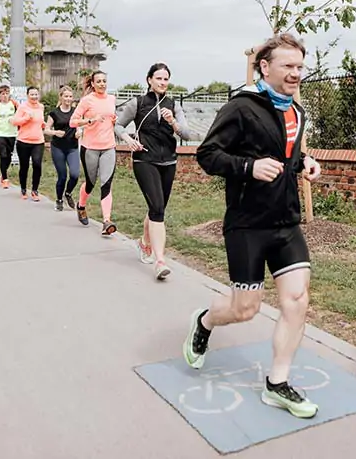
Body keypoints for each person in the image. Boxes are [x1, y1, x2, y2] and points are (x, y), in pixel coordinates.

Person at [182, 33, 322, 420]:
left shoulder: (296, 110)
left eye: (299, 67)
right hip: (247, 225)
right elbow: (208, 155)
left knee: (297, 300)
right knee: (245, 309)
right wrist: (248, 167)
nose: (296, 74)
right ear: (265, 67)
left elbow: (286, 152)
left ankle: (277, 384)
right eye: (288, 66)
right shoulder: (241, 107)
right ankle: (205, 321)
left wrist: (305, 163)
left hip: (286, 222)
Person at [114, 62, 195, 280]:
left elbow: (187, 134)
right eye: (158, 78)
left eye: (166, 79)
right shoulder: (138, 103)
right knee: (157, 208)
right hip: (144, 159)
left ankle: (144, 242)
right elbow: (118, 125)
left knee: (156, 208)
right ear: (149, 80)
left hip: (168, 161)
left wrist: (173, 123)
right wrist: (128, 139)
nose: (162, 82)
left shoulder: (173, 105)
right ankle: (160, 261)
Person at [69, 70, 119, 236]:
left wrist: (114, 120)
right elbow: (72, 122)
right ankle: (81, 205)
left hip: (109, 146)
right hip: (90, 147)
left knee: (106, 183)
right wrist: (90, 120)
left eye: (104, 81)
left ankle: (106, 221)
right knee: (91, 183)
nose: (102, 84)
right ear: (92, 84)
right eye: (99, 81)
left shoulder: (112, 99)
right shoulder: (86, 101)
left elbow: (112, 117)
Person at [46, 85, 81, 212]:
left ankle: (68, 193)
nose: (68, 99)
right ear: (61, 97)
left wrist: (79, 132)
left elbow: (79, 126)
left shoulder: (75, 112)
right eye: (66, 96)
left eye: (70, 96)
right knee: (62, 176)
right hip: (58, 148)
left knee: (75, 174)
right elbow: (46, 130)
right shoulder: (54, 113)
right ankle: (59, 200)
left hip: (72, 147)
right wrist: (55, 133)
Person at [10, 86, 47, 201]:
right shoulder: (23, 107)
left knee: (37, 164)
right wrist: (26, 118)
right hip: (24, 141)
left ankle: (35, 190)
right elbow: (15, 121)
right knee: (24, 166)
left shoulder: (41, 107)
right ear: (27, 96)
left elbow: (40, 122)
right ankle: (23, 189)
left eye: (36, 94)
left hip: (38, 141)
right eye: (32, 94)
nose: (34, 97)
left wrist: (44, 125)